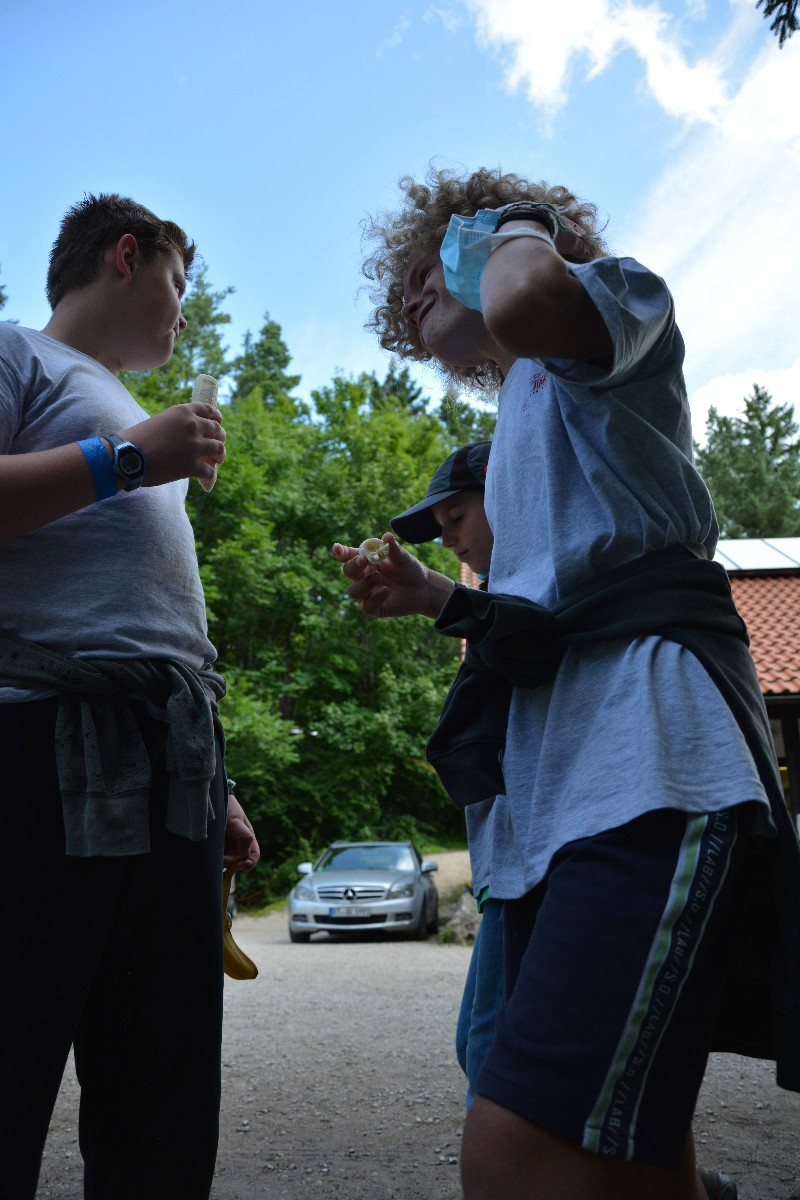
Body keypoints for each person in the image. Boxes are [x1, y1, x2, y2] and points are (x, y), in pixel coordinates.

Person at [333, 166, 800, 1200]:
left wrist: (516, 226)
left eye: (429, 263)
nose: (410, 293)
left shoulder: (610, 307)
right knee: (634, 1156)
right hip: (563, 795)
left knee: (510, 1153)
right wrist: (434, 597)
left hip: (654, 774)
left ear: (489, 239)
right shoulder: (516, 422)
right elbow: (546, 620)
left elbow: (527, 301)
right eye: (403, 283)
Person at [0, 193, 260, 1200]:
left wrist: (213, 779)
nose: (184, 313)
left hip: (173, 760)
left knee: (164, 1083)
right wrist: (130, 458)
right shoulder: (19, 355)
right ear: (125, 255)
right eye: (178, 283)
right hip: (38, 744)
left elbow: (147, 611)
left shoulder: (121, 406)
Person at [388, 439, 503, 1110]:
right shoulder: (492, 599)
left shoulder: (536, 589)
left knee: (489, 1053)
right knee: (475, 1045)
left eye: (456, 516)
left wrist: (438, 597)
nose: (448, 539)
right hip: (504, 873)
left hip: (533, 869)